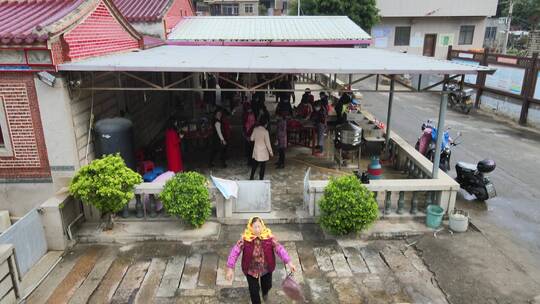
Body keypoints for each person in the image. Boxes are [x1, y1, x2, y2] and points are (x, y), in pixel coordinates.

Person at [226, 217, 297, 304]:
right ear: (250, 227)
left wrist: (289, 263)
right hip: (250, 270)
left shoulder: (269, 238)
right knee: (254, 292)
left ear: (262, 226)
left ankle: (265, 293)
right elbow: (235, 252)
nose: (257, 229)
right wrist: (230, 268)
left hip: (265, 269)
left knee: (267, 286)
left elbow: (279, 249)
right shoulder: (245, 239)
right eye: (255, 227)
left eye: (259, 226)